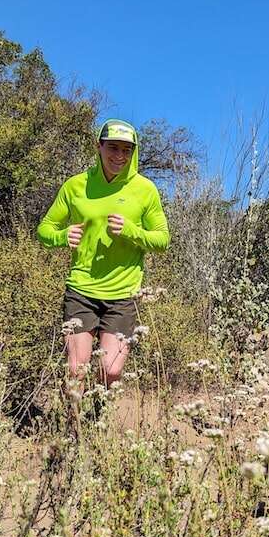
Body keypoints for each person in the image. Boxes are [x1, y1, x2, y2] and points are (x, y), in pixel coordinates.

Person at [37, 119, 169, 389]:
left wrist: (132, 231)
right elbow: (44, 229)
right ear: (99, 146)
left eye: (126, 150)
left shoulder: (145, 190)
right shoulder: (76, 186)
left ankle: (99, 418)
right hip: (82, 289)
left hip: (123, 293)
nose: (119, 156)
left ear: (133, 152)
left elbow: (162, 239)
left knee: (110, 370)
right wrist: (62, 236)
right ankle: (74, 429)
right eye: (113, 148)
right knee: (76, 370)